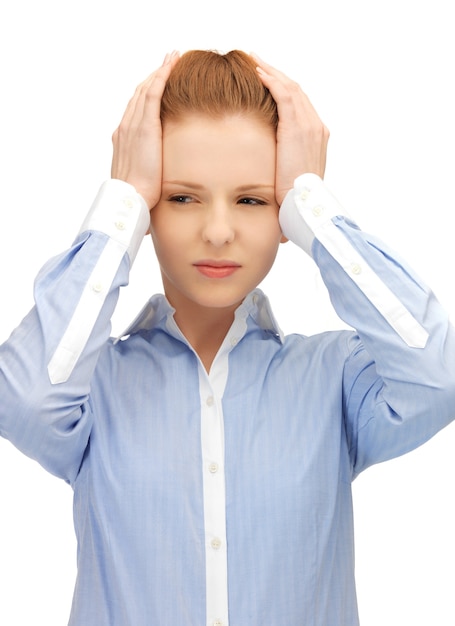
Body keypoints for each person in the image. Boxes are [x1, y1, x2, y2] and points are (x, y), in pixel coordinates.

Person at [0, 49, 454, 626]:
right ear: (148, 212)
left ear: (285, 216)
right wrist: (121, 200)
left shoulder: (335, 378)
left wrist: (312, 201)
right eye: (181, 197)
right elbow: (24, 402)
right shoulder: (93, 388)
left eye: (252, 199)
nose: (218, 231)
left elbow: (438, 379)